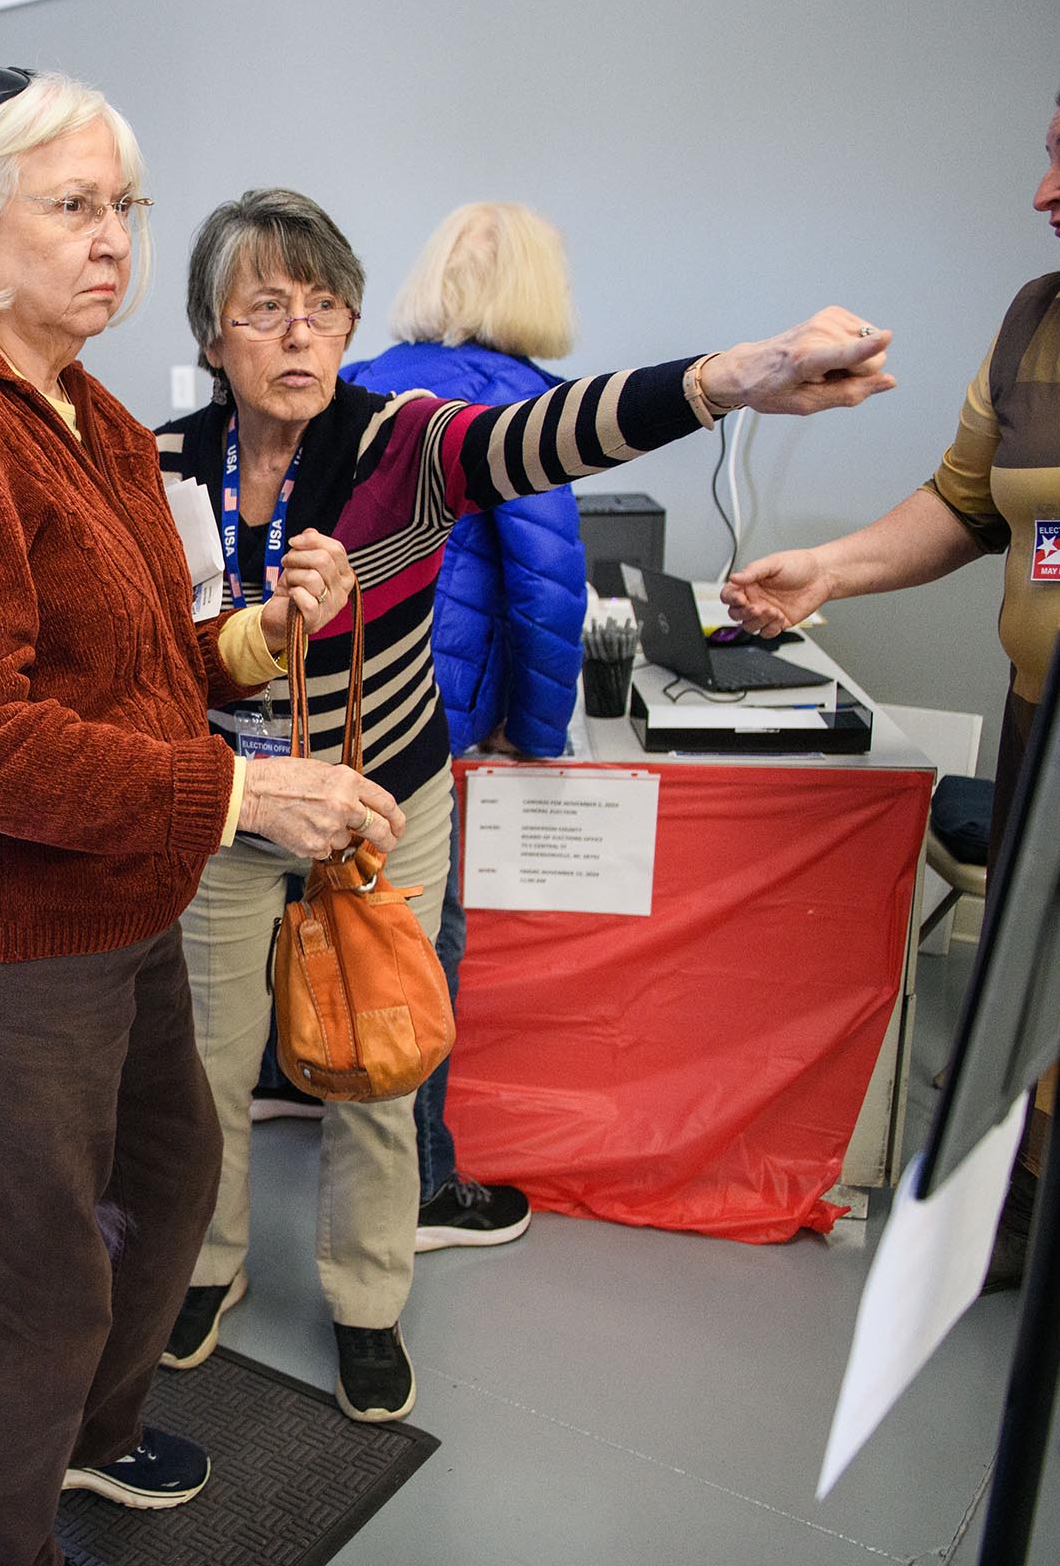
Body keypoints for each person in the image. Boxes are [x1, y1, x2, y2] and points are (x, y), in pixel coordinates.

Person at [156, 185, 894, 1428]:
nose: (297, 335)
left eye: (321, 309)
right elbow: (148, 653)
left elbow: (564, 428)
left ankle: (367, 1300)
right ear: (213, 332)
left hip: (383, 802)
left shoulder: (412, 442)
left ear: (347, 326)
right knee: (203, 1067)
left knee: (378, 1068)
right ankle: (203, 1269)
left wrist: (739, 377)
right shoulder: (162, 459)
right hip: (232, 809)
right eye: (263, 309)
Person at [0, 68, 407, 1566]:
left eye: (126, 209)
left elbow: (142, 656)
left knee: (168, 1184)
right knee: (25, 1290)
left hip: (113, 890)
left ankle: (86, 1439)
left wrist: (260, 638)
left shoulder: (82, 409)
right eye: (75, 206)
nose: (114, 242)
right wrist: (240, 790)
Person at [722, 31, 1060, 1490]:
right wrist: (833, 570)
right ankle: (1038, 1234)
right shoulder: (1044, 318)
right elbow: (968, 504)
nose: (1046, 191)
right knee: (1045, 991)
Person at [331, 200, 594, 1255]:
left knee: (323, 898)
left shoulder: (363, 379)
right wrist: (539, 731)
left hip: (337, 689)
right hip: (432, 716)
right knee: (421, 941)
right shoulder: (526, 407)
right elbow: (543, 591)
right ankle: (427, 1187)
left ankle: (299, 1078)